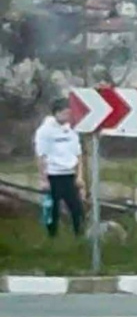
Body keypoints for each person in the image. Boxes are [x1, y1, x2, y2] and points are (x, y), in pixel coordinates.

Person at [34, 98, 85, 237]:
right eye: (65, 113)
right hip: (53, 174)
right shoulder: (45, 131)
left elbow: (79, 154)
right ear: (57, 113)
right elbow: (41, 155)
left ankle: (78, 235)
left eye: (69, 113)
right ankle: (52, 237)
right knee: (53, 208)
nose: (68, 116)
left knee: (76, 208)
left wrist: (79, 175)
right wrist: (43, 179)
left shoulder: (72, 130)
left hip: (69, 174)